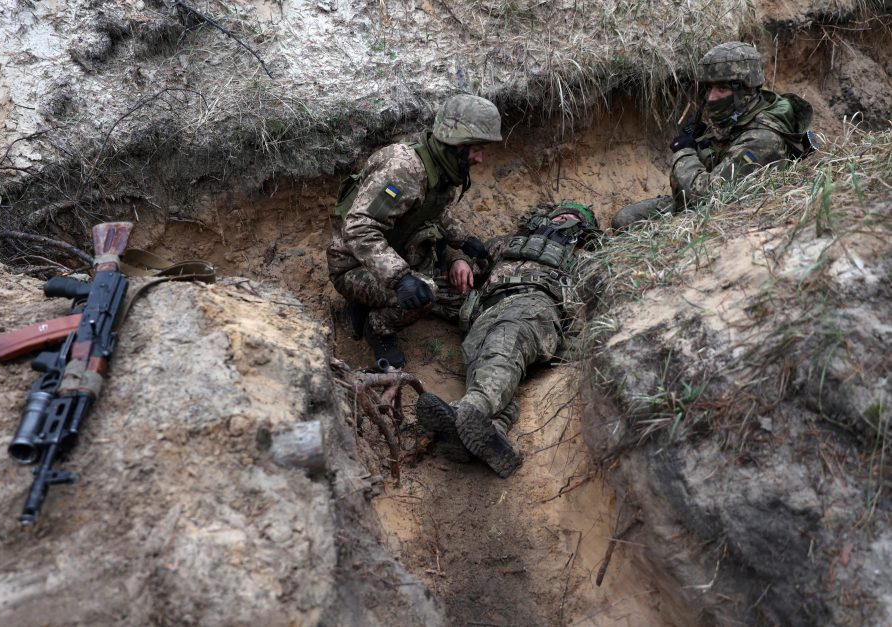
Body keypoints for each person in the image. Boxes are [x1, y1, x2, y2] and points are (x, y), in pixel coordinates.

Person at [415, 202, 602, 477]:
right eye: (559, 213)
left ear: (582, 227)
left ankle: (470, 407)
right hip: (488, 308)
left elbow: (597, 305)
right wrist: (461, 262)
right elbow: (473, 262)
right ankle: (493, 432)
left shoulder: (585, 258)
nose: (563, 217)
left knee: (505, 340)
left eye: (573, 216)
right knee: (481, 353)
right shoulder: (507, 244)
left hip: (537, 305)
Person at [326, 94, 503, 368]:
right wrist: (400, 278)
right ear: (456, 143)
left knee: (465, 283)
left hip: (395, 252)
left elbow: (434, 211)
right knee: (425, 293)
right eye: (476, 148)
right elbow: (360, 227)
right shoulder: (403, 170)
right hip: (353, 265)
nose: (480, 158)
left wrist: (464, 241)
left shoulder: (442, 170)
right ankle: (377, 329)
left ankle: (370, 302)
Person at [611, 41, 816, 230]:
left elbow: (706, 197)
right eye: (709, 88)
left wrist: (684, 151)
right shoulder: (743, 114)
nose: (711, 97)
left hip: (725, 215)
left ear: (745, 90)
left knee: (627, 224)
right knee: (623, 219)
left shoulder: (762, 140)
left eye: (722, 88)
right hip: (710, 201)